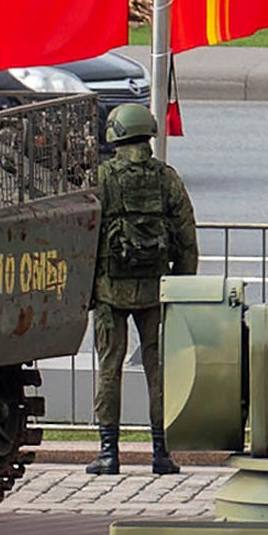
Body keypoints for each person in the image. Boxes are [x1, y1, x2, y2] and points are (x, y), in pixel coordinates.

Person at [89, 115, 196, 473]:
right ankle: (161, 454)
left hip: (109, 289)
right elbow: (186, 237)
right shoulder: (166, 178)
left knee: (109, 367)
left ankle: (108, 453)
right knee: (157, 369)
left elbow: (86, 237)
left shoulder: (102, 178)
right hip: (155, 291)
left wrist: (88, 291)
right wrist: (180, 285)